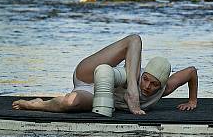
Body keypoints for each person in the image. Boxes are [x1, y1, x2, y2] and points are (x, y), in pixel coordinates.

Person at [12, 34, 198, 115]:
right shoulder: (135, 76)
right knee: (134, 39)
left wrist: (192, 101)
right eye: (145, 79)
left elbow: (191, 72)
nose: (148, 86)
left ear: (162, 85)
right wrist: (133, 85)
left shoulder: (165, 89)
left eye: (154, 84)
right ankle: (130, 92)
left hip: (97, 96)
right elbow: (134, 40)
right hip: (89, 75)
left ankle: (38, 104)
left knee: (70, 102)